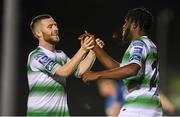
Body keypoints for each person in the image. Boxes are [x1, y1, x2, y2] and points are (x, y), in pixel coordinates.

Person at [82, 7, 162, 116]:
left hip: (137, 109)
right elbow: (120, 69)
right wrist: (95, 47)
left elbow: (131, 70)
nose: (123, 26)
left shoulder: (139, 44)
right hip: (149, 108)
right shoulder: (148, 44)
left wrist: (97, 75)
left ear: (134, 24)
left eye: (126, 22)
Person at [27, 14, 97, 116]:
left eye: (55, 25)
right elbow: (63, 72)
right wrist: (83, 49)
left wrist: (93, 52)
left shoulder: (60, 55)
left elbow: (79, 71)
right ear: (38, 33)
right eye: (50, 27)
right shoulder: (36, 56)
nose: (56, 29)